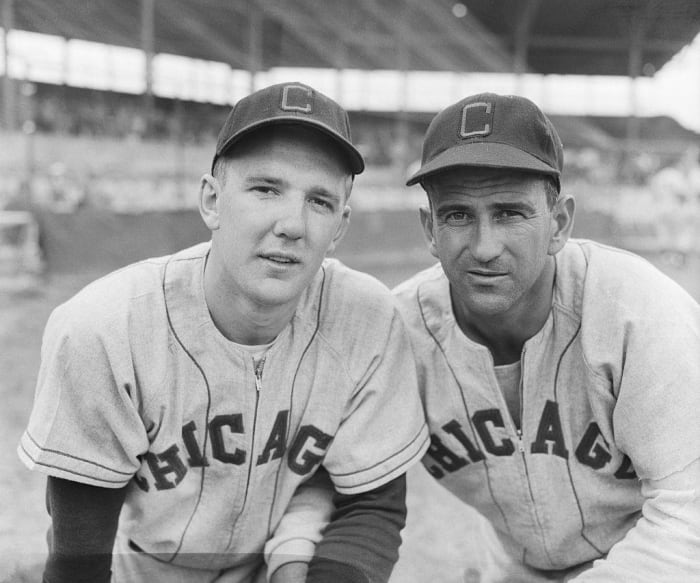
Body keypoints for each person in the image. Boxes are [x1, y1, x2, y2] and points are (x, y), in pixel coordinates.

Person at [18, 82, 429, 583]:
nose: (292, 225)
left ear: (340, 227)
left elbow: (371, 505)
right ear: (212, 201)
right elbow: (78, 553)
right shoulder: (104, 329)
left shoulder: (368, 318)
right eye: (265, 189)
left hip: (285, 565)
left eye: (319, 201)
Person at [393, 92, 700, 581]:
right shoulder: (400, 334)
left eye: (510, 213)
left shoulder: (637, 313)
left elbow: (691, 519)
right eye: (458, 215)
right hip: (518, 568)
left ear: (558, 224)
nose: (484, 247)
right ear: (430, 229)